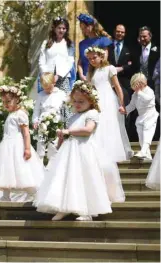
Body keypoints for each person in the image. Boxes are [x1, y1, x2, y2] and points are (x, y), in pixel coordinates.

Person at [35, 81, 124, 222]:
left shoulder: (92, 113)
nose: (77, 104)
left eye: (81, 101)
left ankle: (87, 210)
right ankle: (63, 207)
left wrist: (68, 131)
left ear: (91, 100)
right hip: (69, 152)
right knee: (66, 178)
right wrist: (61, 140)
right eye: (75, 101)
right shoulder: (73, 116)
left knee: (85, 178)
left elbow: (88, 130)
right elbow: (67, 134)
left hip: (84, 151)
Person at [86, 46, 133, 162]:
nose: (92, 60)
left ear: (101, 57)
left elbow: (117, 87)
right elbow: (88, 88)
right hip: (96, 101)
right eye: (89, 58)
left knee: (109, 124)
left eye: (94, 57)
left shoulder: (109, 68)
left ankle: (110, 152)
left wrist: (122, 104)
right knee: (98, 125)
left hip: (108, 100)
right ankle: (99, 152)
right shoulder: (91, 73)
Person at [37, 17, 76, 96]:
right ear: (54, 28)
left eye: (64, 28)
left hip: (63, 77)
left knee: (63, 100)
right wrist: (47, 75)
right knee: (47, 98)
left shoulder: (69, 44)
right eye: (59, 28)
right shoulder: (46, 43)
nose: (61, 30)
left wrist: (59, 75)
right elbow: (42, 60)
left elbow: (70, 61)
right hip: (47, 78)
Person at [32, 72, 67, 160]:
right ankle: (39, 164)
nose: (46, 90)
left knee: (54, 145)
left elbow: (65, 109)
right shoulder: (41, 95)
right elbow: (36, 110)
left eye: (49, 87)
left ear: (53, 83)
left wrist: (64, 124)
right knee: (41, 144)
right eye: (45, 88)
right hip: (42, 123)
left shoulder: (61, 94)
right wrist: (35, 121)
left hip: (56, 122)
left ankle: (52, 164)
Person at [125, 73, 159, 160]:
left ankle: (143, 151)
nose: (135, 87)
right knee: (141, 136)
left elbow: (147, 99)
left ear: (143, 83)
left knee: (147, 133)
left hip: (150, 115)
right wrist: (125, 110)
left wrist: (139, 92)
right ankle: (147, 154)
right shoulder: (135, 95)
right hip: (141, 117)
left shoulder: (149, 91)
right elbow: (132, 105)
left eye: (137, 85)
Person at [76, 13, 112, 81]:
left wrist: (94, 76)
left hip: (99, 76)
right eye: (82, 28)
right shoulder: (82, 44)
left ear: (91, 26)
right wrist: (81, 75)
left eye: (85, 27)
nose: (83, 30)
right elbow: (80, 62)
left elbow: (104, 60)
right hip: (85, 78)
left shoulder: (103, 40)